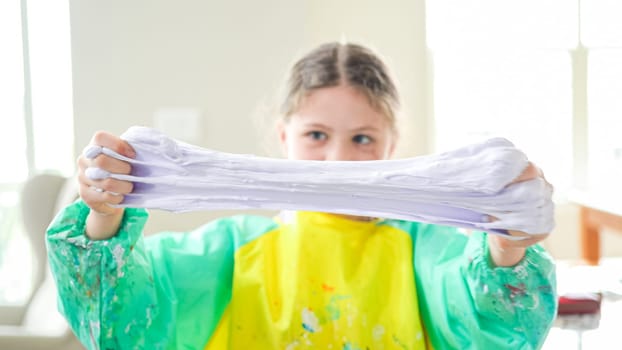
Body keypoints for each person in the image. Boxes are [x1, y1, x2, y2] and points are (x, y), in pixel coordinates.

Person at [46, 42, 556, 350]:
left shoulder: (427, 251)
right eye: (316, 135)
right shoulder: (231, 249)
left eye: (362, 139)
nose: (337, 159)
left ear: (392, 147)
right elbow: (123, 319)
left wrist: (507, 245)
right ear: (282, 136)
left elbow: (490, 326)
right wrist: (103, 215)